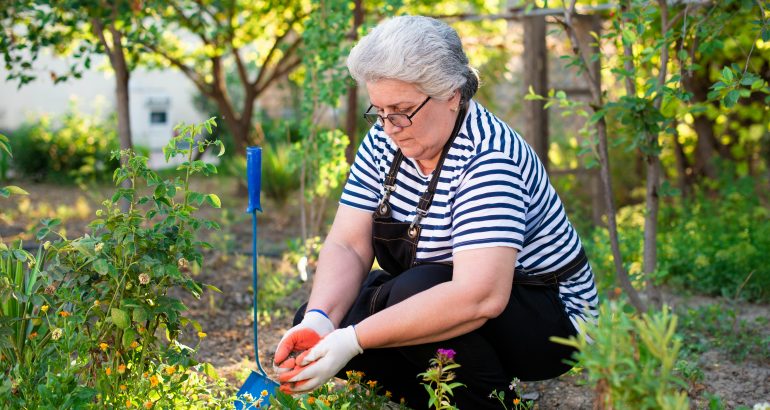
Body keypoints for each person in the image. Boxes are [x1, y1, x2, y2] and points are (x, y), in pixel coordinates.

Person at [273, 15, 598, 409]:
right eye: (379, 110)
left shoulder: (489, 159)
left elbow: (479, 296)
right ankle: (436, 400)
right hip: (453, 288)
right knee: (320, 316)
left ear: (451, 94)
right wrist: (322, 322)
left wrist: (354, 340)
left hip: (549, 318)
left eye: (402, 109)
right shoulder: (384, 138)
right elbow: (348, 245)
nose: (390, 127)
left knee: (411, 293)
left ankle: (489, 404)